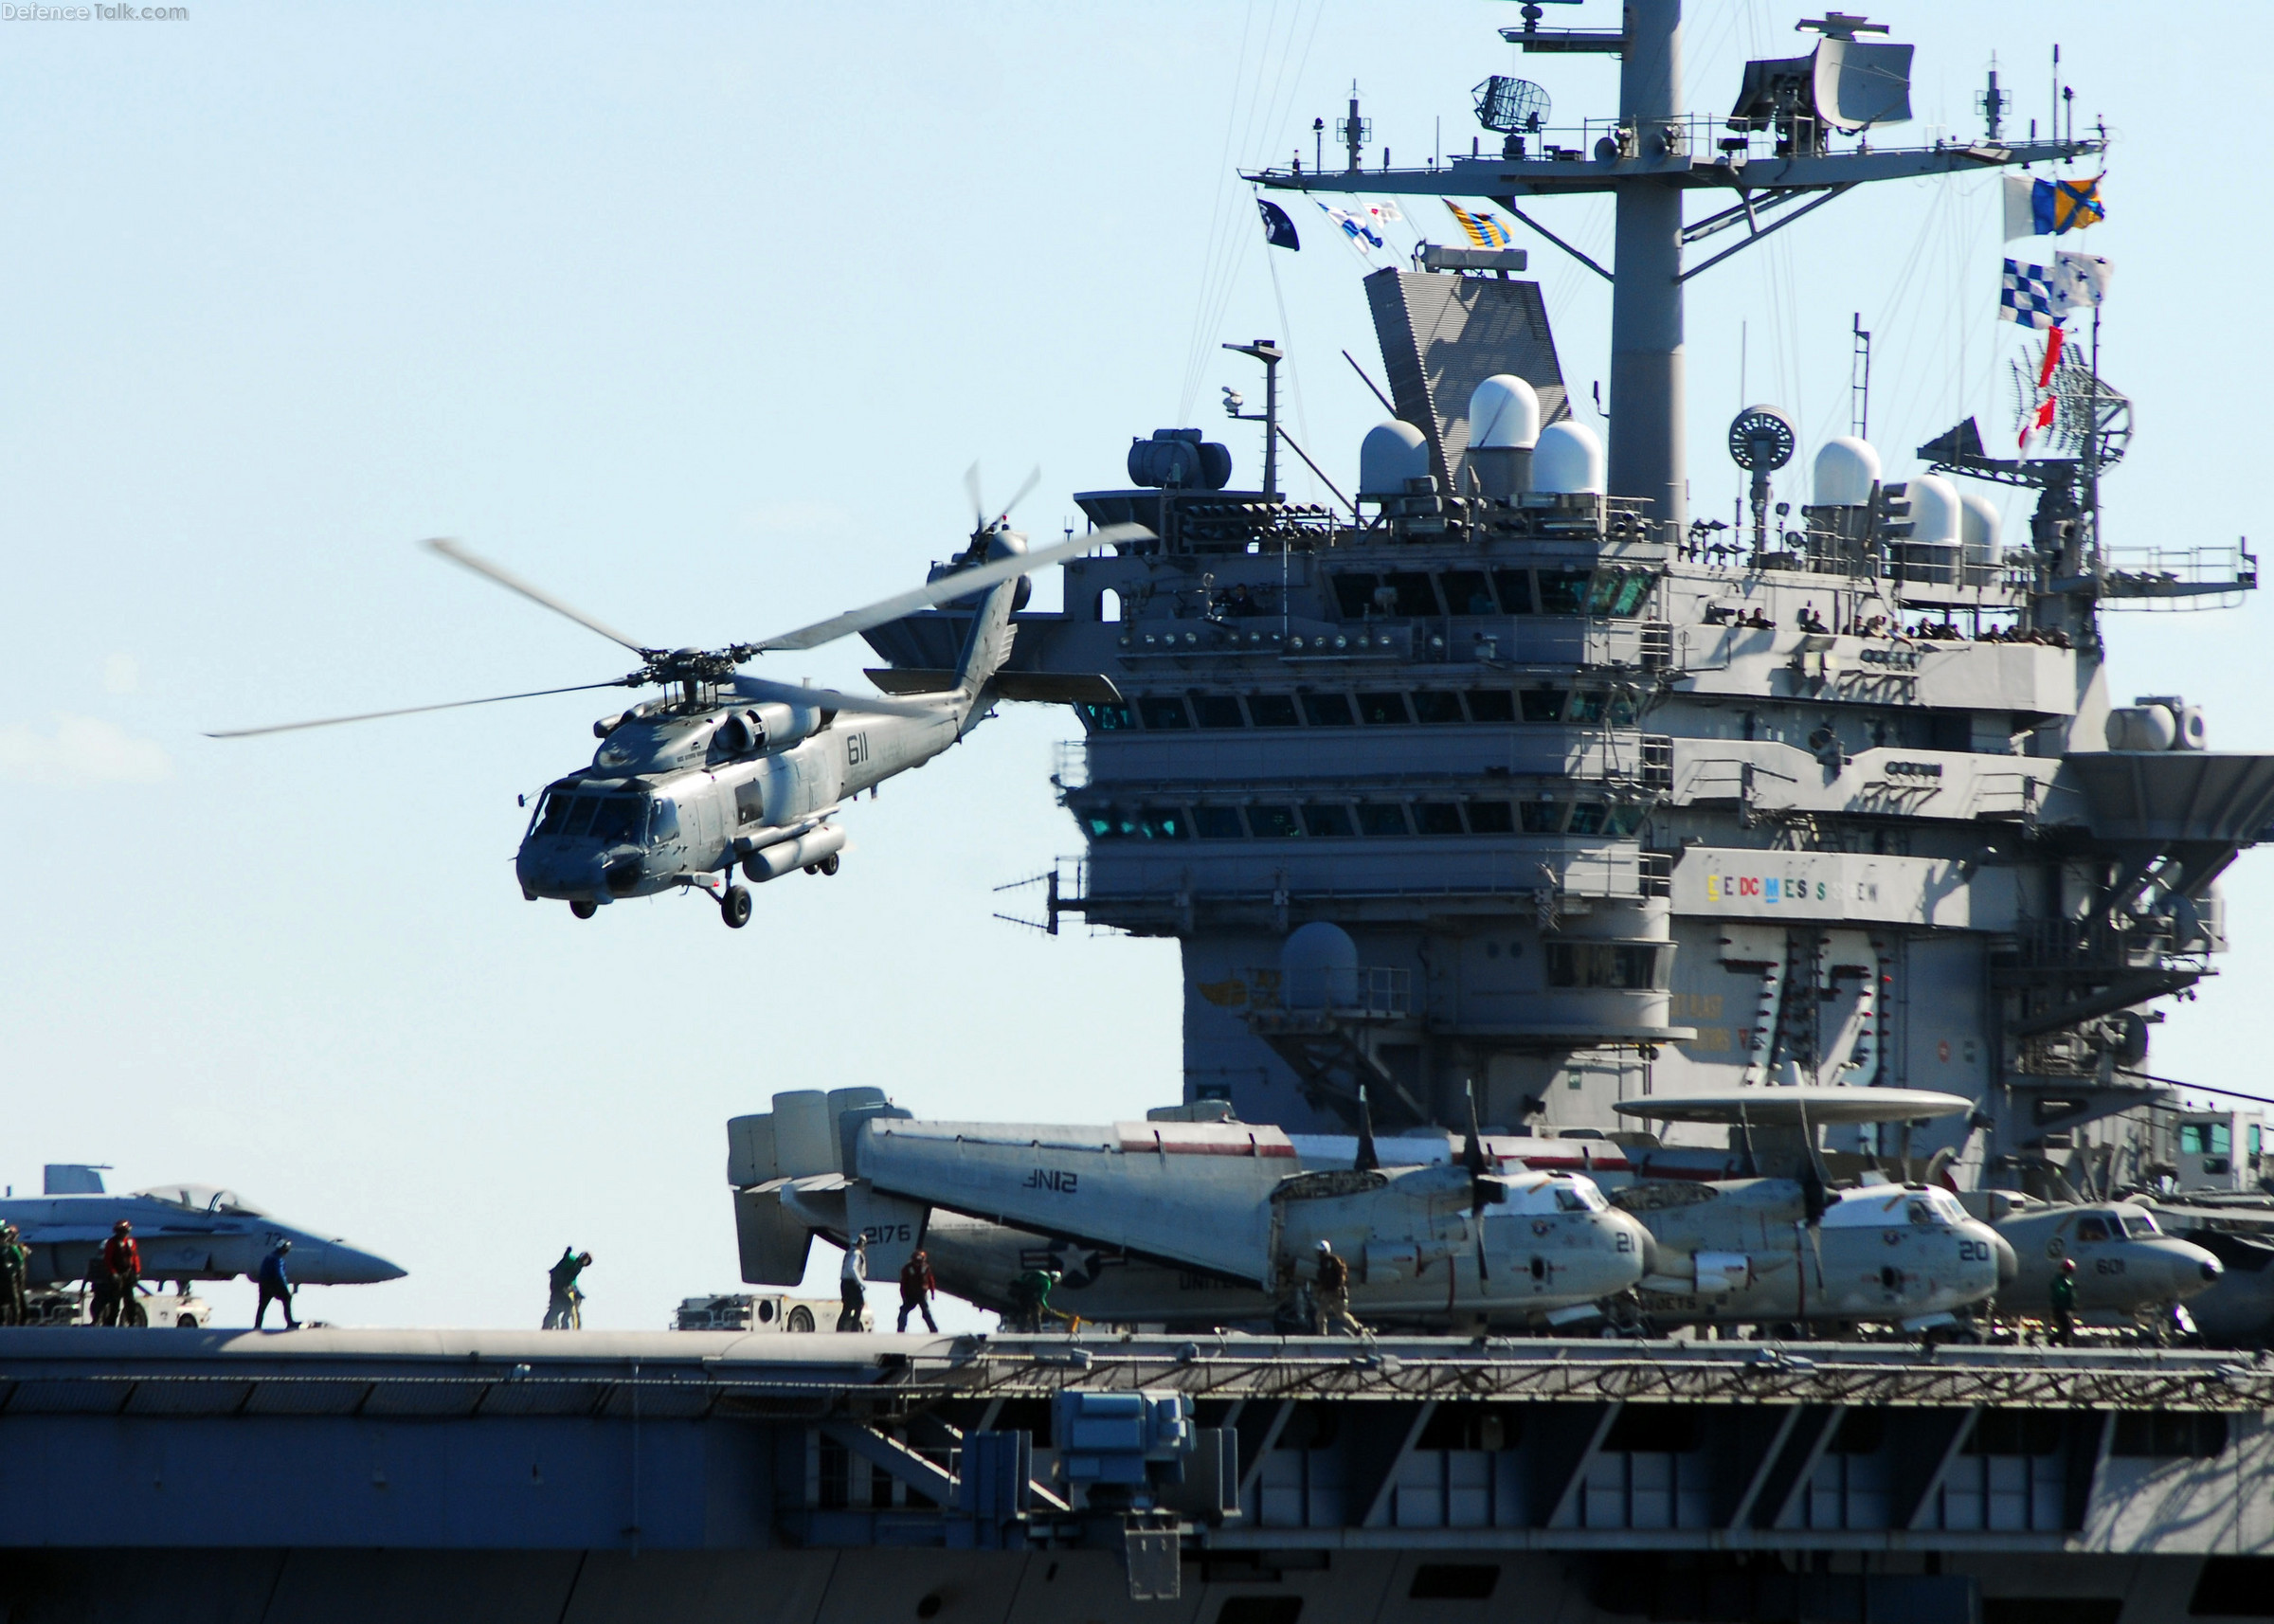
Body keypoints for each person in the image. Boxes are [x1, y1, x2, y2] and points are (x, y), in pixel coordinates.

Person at [1311, 1239, 1366, 1337]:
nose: (1318, 1254)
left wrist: (1338, 1288)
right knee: (1320, 1313)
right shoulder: (1323, 1263)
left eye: (1320, 1252)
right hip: (1327, 1292)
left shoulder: (1333, 1261)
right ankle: (1322, 1334)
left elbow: (1341, 1276)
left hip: (1336, 1292)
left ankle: (1357, 1328)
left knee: (1340, 1314)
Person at [100, 1220, 140, 1327]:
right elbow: (108, 1260)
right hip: (117, 1276)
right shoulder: (112, 1243)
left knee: (130, 1301)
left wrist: (136, 1272)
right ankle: (110, 1325)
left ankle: (132, 1322)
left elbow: (135, 1257)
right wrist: (113, 1273)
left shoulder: (130, 1242)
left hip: (128, 1275)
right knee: (115, 1302)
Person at [543, 1247, 591, 1329]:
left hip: (558, 1286)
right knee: (564, 1305)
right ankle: (560, 1325)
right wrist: (567, 1253)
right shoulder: (574, 1263)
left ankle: (550, 1325)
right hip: (558, 1286)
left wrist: (577, 1292)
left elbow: (572, 1281)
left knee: (558, 1306)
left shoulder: (577, 1266)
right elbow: (565, 1260)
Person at [256, 1239, 297, 1330]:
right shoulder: (278, 1259)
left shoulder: (268, 1256)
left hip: (263, 1283)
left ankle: (257, 1326)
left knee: (262, 1305)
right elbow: (280, 1274)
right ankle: (290, 1322)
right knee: (287, 1298)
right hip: (274, 1283)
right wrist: (286, 1289)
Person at [897, 1247, 939, 1334]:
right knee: (903, 1312)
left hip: (921, 1295)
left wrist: (932, 1293)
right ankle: (901, 1331)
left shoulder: (925, 1268)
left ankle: (934, 1330)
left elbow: (930, 1280)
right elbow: (903, 1284)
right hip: (911, 1295)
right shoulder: (907, 1269)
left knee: (926, 1313)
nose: (918, 1264)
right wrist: (904, 1296)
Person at [838, 1238, 869, 1332]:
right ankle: (854, 1329)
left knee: (847, 1307)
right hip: (852, 1283)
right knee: (859, 1305)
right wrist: (861, 1283)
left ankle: (840, 1329)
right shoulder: (857, 1254)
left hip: (844, 1282)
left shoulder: (849, 1253)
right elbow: (852, 1267)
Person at [2048, 1255, 2078, 1345]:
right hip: (2060, 1307)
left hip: (2065, 1307)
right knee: (2067, 1327)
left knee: (2067, 1327)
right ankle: (2055, 1341)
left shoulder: (2067, 1280)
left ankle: (2063, 1342)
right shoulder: (2060, 1280)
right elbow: (2060, 1292)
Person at [0, 1223, 26, 1326]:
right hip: (1, 1279)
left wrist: (11, 1268)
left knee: (14, 1301)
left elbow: (20, 1262)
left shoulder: (11, 1249)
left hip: (9, 1279)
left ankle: (16, 1321)